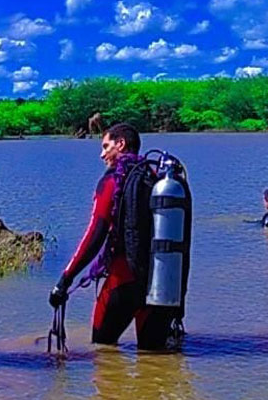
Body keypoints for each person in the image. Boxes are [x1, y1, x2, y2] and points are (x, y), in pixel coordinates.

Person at [49, 123, 177, 350]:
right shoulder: (156, 178)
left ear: (121, 144)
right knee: (155, 360)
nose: (101, 154)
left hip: (124, 280)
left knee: (103, 353)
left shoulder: (112, 182)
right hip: (162, 282)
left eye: (105, 146)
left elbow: (95, 234)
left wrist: (65, 280)